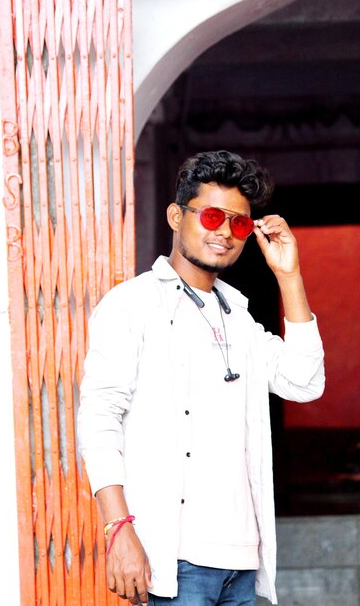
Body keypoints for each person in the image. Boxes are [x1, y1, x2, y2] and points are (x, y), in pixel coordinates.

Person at [77, 150, 325, 606]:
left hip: (243, 563)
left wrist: (288, 276)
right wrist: (119, 528)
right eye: (212, 215)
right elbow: (98, 420)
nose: (224, 233)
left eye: (239, 224)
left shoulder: (240, 319)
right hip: (177, 563)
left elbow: (304, 381)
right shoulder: (131, 305)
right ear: (177, 215)